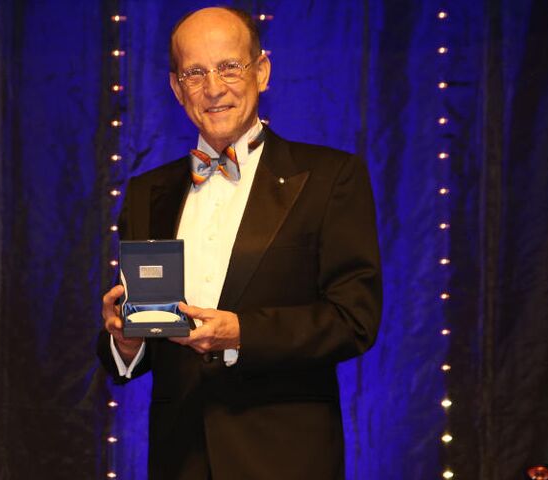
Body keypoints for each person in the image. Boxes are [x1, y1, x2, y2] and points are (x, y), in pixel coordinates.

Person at [96, 6, 382, 479]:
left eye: (229, 67)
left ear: (261, 72)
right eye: (195, 73)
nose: (213, 88)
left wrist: (241, 332)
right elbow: (145, 325)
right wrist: (126, 342)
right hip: (179, 459)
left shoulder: (331, 178)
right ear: (176, 88)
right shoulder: (148, 192)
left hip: (286, 460)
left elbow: (354, 320)